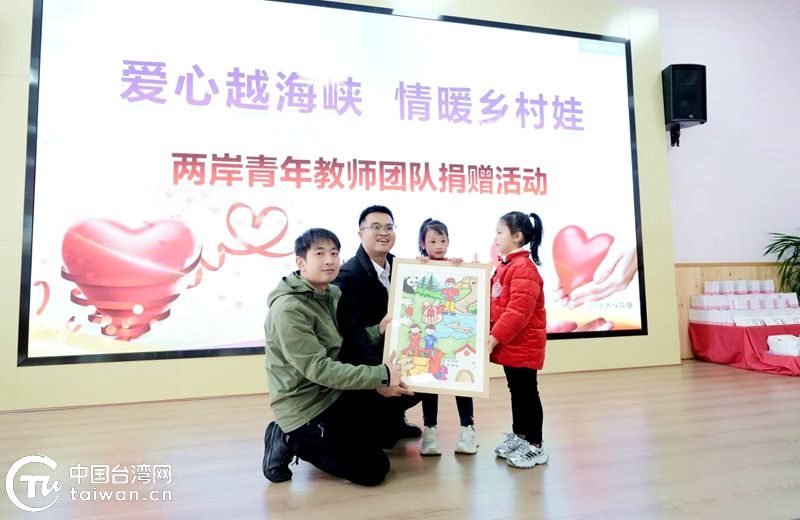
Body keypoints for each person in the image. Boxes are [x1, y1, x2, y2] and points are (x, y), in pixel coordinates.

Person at [262, 228, 412, 486]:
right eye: (320, 254)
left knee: (390, 413)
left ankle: (338, 436)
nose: (330, 260)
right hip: (306, 407)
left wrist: (377, 330)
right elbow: (319, 368)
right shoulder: (289, 310)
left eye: (334, 253)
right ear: (301, 262)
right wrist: (382, 375)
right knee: (373, 469)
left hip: (332, 393)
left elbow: (342, 342)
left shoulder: (329, 293)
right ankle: (289, 438)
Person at [333, 205, 423, 440]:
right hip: (365, 362)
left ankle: (394, 419)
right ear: (360, 233)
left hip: (397, 355)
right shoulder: (347, 276)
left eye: (389, 227)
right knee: (378, 443)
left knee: (428, 376)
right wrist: (380, 377)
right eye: (376, 227)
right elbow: (351, 336)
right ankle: (379, 421)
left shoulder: (401, 267)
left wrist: (442, 267)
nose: (384, 232)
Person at [489, 211, 550, 469]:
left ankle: (535, 445)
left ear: (517, 236)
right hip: (511, 345)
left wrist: (493, 338)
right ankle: (520, 435)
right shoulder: (506, 265)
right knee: (517, 390)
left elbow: (518, 312)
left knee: (527, 392)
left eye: (499, 232)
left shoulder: (524, 268)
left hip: (523, 345)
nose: (495, 237)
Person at [414, 218, 479, 456]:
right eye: (433, 241)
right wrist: (419, 265)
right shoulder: (418, 266)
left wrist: (461, 267)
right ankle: (430, 429)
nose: (439, 246)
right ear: (422, 244)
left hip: (453, 334)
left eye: (443, 240)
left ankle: (468, 428)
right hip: (430, 335)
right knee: (430, 382)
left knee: (462, 378)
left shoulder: (454, 266)